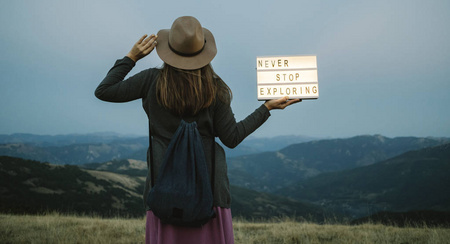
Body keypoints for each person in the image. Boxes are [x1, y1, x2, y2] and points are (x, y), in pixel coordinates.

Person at [95, 16, 300, 244]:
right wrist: (266, 108)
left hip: (163, 187)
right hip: (209, 190)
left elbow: (104, 91)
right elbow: (231, 138)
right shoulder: (216, 88)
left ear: (168, 49)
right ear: (204, 50)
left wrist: (131, 57)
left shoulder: (150, 81)